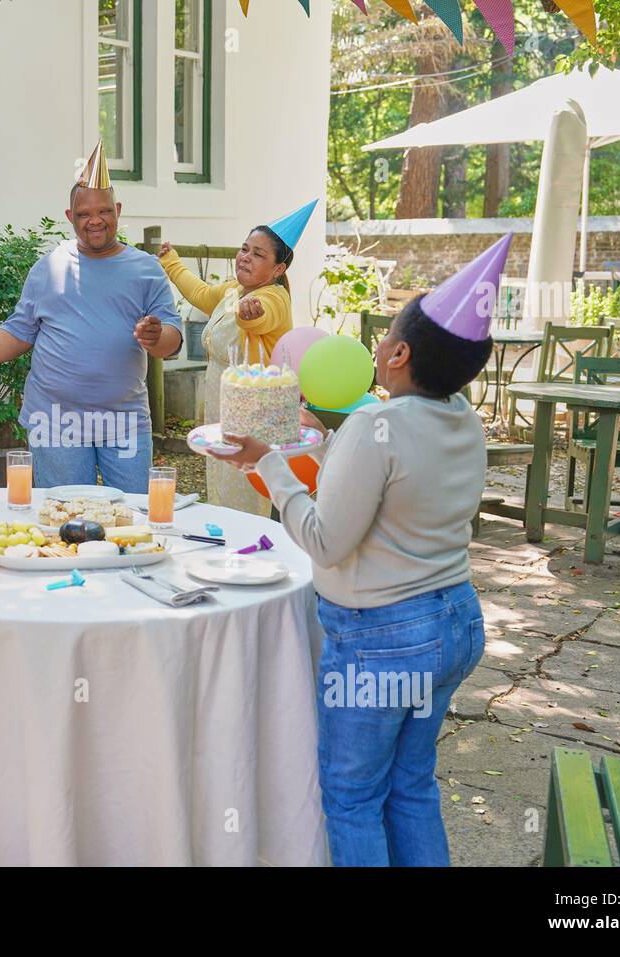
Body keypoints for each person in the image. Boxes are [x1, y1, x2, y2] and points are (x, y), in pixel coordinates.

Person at [210, 235, 513, 866]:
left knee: (350, 797)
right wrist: (325, 449)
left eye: (385, 334)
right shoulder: (461, 417)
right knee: (410, 785)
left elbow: (324, 539)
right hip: (453, 622)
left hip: (382, 639)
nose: (375, 343)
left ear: (398, 352)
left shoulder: (377, 429)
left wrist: (273, 466)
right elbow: (398, 489)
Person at [0, 141, 182, 493]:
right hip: (55, 422)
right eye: (83, 214)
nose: (95, 220)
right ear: (69, 217)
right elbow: (18, 333)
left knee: (132, 519)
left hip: (125, 422)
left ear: (118, 210)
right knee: (65, 522)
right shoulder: (49, 267)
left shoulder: (146, 270)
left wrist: (157, 337)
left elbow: (172, 340)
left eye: (104, 211)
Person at [157, 200, 315, 515]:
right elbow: (201, 294)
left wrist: (250, 316)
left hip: (252, 415)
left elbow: (260, 318)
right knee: (219, 483)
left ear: (278, 269)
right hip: (221, 406)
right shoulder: (234, 291)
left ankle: (251, 553)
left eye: (259, 254)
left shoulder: (274, 297)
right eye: (245, 249)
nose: (246, 257)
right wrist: (171, 261)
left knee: (244, 491)